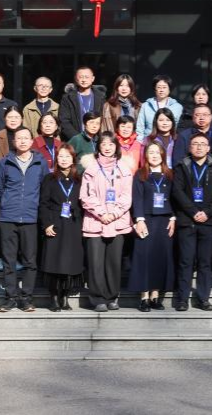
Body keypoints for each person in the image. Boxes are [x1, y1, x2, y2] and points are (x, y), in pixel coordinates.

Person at [0, 126, 47, 312]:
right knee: (9, 260)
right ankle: (10, 297)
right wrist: (8, 204)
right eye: (19, 138)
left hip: (31, 217)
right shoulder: (4, 162)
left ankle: (26, 298)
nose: (23, 141)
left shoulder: (40, 163)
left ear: (32, 141)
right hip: (8, 217)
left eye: (26, 138)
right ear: (14, 142)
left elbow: (44, 188)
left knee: (30, 261)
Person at [171, 133, 212, 311]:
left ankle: (203, 298)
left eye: (203, 144)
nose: (199, 147)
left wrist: (207, 213)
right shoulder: (182, 166)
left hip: (208, 221)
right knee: (185, 261)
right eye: (195, 144)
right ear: (189, 147)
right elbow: (177, 191)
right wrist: (193, 212)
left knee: (204, 262)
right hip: (187, 220)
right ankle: (182, 299)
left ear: (208, 148)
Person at [80, 132, 134, 312]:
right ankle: (97, 298)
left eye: (111, 144)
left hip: (117, 222)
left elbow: (127, 196)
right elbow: (86, 196)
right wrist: (102, 213)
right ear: (98, 147)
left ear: (116, 147)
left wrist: (114, 213)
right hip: (96, 221)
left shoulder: (124, 169)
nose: (107, 147)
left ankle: (112, 296)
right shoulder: (91, 169)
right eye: (104, 144)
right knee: (95, 262)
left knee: (113, 262)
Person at [129, 141, 177, 311]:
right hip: (146, 220)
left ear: (163, 155)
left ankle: (155, 296)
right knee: (144, 258)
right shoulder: (140, 174)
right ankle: (144, 297)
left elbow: (174, 198)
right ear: (146, 156)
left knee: (160, 257)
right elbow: (137, 198)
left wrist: (173, 218)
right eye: (151, 152)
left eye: (157, 152)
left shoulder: (169, 174)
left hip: (164, 221)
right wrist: (139, 220)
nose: (154, 155)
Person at [38, 144, 84, 312]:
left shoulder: (79, 180)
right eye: (61, 156)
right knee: (54, 260)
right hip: (55, 222)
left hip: (73, 223)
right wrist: (46, 224)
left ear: (73, 159)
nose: (64, 160)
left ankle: (65, 296)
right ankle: (54, 297)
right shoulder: (49, 179)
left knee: (70, 261)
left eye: (67, 156)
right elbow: (43, 203)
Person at [0, 105, 23, 271]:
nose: (13, 120)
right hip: (2, 186)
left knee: (20, 225)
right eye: (10, 117)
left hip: (21, 187)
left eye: (16, 117)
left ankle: (18, 258)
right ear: (4, 119)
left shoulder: (26, 135)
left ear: (21, 119)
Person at [58, 66, 106, 141]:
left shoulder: (101, 98)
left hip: (96, 140)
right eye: (81, 77)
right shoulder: (67, 98)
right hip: (75, 140)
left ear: (93, 78)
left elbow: (104, 120)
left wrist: (99, 138)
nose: (84, 80)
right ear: (76, 79)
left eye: (87, 77)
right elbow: (64, 121)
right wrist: (78, 139)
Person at [136, 74, 184, 141]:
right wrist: (141, 142)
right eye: (159, 87)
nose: (161, 90)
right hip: (149, 142)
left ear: (169, 89)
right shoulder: (146, 105)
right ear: (155, 89)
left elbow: (178, 127)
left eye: (164, 87)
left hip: (169, 142)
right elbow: (140, 127)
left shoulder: (177, 107)